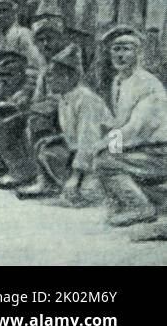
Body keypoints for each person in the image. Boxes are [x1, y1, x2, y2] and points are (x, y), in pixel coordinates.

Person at [21, 44, 112, 204]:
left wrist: (76, 177)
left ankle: (81, 186)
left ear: (68, 77)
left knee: (90, 194)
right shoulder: (64, 97)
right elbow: (73, 135)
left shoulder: (86, 99)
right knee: (46, 146)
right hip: (84, 153)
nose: (48, 81)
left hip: (105, 154)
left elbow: (88, 140)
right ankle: (52, 185)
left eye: (53, 76)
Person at [95, 26, 167, 226]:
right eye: (115, 49)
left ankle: (140, 208)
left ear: (138, 53)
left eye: (125, 49)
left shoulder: (146, 83)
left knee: (104, 162)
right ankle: (128, 202)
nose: (119, 55)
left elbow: (138, 128)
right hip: (141, 148)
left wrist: (106, 145)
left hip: (159, 152)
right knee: (106, 158)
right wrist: (109, 145)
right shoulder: (119, 81)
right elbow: (120, 124)